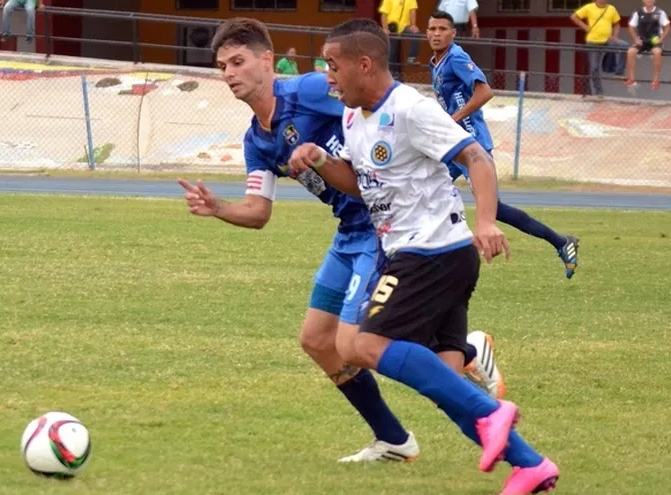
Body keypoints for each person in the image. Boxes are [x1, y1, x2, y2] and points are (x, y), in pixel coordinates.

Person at [176, 17, 504, 463]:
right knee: (316, 340)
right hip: (347, 233)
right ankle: (394, 438)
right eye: (222, 67)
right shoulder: (256, 140)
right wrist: (218, 209)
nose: (230, 73)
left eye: (238, 61)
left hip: (381, 227)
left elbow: (372, 105)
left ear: (268, 61)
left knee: (356, 344)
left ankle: (463, 355)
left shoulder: (310, 90)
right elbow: (258, 212)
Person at [287, 19, 559, 494]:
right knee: (446, 383)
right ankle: (531, 465)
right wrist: (321, 163)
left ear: (364, 64)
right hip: (429, 256)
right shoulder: (353, 117)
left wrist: (487, 221)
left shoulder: (411, 109)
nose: (327, 76)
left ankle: (493, 410)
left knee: (364, 346)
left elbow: (477, 157)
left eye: (332, 65)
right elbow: (361, 183)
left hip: (431, 254)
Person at [426, 11, 580, 279]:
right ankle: (431, 255)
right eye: (432, 29)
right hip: (453, 144)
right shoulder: (436, 62)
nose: (436, 33)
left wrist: (453, 119)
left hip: (471, 143)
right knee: (426, 186)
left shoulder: (457, 58)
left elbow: (485, 91)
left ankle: (561, 241)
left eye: (442, 29)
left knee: (493, 208)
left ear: (453, 33)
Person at [571, 0, 630, 95]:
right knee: (594, 67)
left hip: (607, 40)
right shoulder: (589, 7)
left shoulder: (611, 9)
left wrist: (615, 36)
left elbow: (617, 24)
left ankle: (619, 71)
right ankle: (599, 91)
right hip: (593, 41)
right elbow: (574, 17)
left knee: (623, 45)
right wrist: (585, 27)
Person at [625, 0, 671, 90]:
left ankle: (656, 80)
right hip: (642, 40)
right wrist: (635, 39)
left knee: (657, 52)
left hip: (655, 41)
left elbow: (668, 26)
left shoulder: (660, 12)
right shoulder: (638, 13)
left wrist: (661, 39)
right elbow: (631, 26)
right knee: (630, 51)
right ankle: (632, 79)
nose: (649, 1)